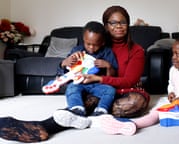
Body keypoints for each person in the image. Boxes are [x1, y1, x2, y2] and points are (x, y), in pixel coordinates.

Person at [0, 5, 150, 143]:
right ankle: (44, 126)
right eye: (112, 23)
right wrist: (64, 64)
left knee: (134, 102)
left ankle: (87, 117)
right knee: (83, 99)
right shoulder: (96, 43)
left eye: (123, 22)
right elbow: (70, 69)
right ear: (105, 25)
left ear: (128, 24)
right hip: (96, 89)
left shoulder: (136, 50)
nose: (118, 26)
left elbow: (129, 81)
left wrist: (99, 77)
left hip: (124, 90)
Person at [52, 21, 118, 129]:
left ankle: (101, 112)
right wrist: (65, 62)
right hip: (80, 83)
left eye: (95, 44)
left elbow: (112, 78)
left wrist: (108, 66)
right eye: (88, 44)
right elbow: (65, 71)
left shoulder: (107, 52)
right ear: (83, 39)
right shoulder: (77, 50)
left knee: (110, 90)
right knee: (72, 88)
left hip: (97, 85)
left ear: (102, 42)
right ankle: (77, 110)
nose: (91, 47)